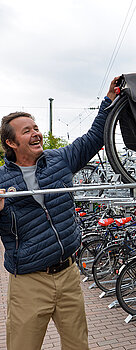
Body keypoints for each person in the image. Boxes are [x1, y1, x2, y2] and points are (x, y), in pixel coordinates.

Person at [0, 77, 120, 350]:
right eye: (26, 130)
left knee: (78, 346)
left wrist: (109, 101)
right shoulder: (1, 180)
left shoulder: (59, 159)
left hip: (68, 275)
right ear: (11, 143)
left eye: (36, 127)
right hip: (29, 282)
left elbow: (93, 138)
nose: (36, 133)